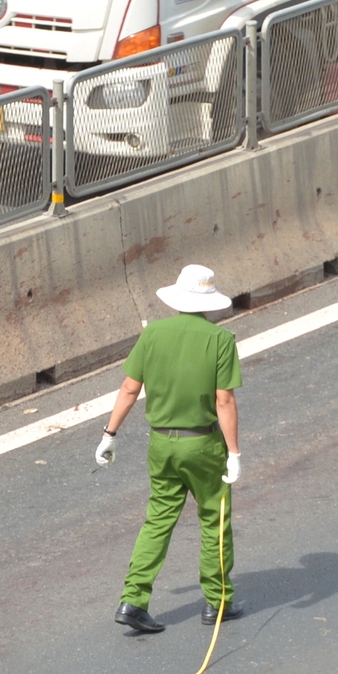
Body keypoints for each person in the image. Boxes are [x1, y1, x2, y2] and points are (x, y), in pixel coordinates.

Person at [96, 264, 243, 634]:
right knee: (214, 518)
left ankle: (133, 600)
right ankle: (217, 600)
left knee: (158, 519)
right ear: (209, 301)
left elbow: (129, 389)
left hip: (161, 443)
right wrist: (234, 453)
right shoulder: (220, 340)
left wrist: (109, 434)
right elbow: (223, 401)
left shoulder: (154, 334)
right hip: (203, 445)